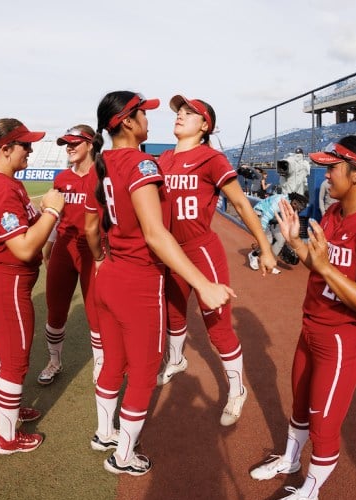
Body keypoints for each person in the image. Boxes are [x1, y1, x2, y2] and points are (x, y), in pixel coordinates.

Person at [85, 90, 234, 476]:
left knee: (114, 362)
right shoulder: (142, 164)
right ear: (128, 122)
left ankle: (104, 433)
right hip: (138, 280)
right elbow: (155, 234)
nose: (149, 120)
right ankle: (124, 456)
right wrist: (203, 284)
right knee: (144, 371)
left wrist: (101, 258)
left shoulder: (102, 162)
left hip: (110, 274)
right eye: (143, 114)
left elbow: (90, 226)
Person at [251, 135, 356, 500]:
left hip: (340, 342)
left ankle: (310, 492)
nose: (326, 175)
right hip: (311, 329)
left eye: (332, 168)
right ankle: (290, 459)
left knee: (323, 423)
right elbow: (314, 264)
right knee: (299, 406)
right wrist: (294, 241)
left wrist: (324, 266)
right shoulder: (333, 215)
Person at [156, 94, 276, 427]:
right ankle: (177, 360)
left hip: (201, 250)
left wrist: (265, 247)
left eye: (188, 113)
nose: (180, 116)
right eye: (179, 112)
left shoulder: (212, 158)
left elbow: (239, 203)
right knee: (174, 313)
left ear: (204, 125)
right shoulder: (163, 158)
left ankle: (237, 390)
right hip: (171, 251)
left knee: (218, 328)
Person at [0, 118, 65, 455]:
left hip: (4, 282)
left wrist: (44, 215)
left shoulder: (9, 183)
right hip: (6, 284)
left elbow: (29, 230)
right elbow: (24, 247)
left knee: (11, 355)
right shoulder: (1, 188)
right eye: (25, 145)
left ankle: (5, 412)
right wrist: (52, 211)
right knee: (16, 361)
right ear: (5, 149)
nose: (31, 150)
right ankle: (7, 438)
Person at [38, 125, 103, 385]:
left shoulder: (102, 176)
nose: (69, 147)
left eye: (75, 142)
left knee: (97, 314)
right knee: (55, 310)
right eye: (67, 143)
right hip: (65, 246)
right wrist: (49, 244)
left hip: (93, 248)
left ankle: (101, 368)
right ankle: (54, 361)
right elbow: (58, 217)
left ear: (90, 144)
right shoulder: (62, 178)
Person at [247, 192, 308, 272]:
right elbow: (266, 217)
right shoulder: (279, 202)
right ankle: (253, 255)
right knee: (268, 240)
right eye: (299, 206)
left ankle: (270, 262)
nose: (300, 209)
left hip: (273, 219)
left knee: (281, 239)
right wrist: (260, 237)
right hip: (261, 213)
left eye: (302, 208)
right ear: (294, 202)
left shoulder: (292, 206)